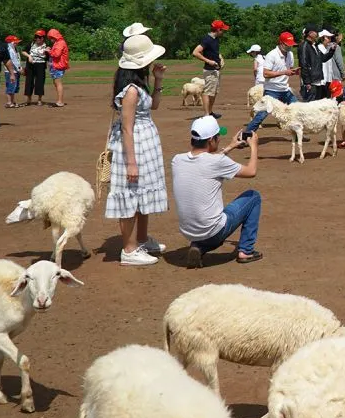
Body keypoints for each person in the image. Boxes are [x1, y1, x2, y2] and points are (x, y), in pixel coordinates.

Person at [106, 34, 170, 266]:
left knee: (142, 194)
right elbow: (126, 128)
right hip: (134, 145)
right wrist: (131, 162)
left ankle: (141, 239)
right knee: (130, 195)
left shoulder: (139, 85)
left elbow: (154, 105)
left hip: (145, 142)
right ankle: (130, 250)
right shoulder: (131, 91)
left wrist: (159, 80)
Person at [171, 115, 263, 267]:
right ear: (210, 141)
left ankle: (199, 247)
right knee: (253, 197)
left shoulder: (177, 160)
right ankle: (246, 251)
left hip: (188, 232)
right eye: (218, 136)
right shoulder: (217, 162)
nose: (220, 139)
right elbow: (251, 171)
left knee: (209, 224)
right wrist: (254, 146)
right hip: (213, 231)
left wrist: (230, 147)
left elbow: (207, 163)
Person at [241, 32, 299, 138]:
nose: (290, 47)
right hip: (272, 90)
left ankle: (298, 134)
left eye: (291, 45)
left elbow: (288, 69)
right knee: (261, 114)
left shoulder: (290, 54)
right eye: (288, 44)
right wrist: (284, 72)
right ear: (281, 43)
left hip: (285, 89)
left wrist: (294, 71)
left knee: (297, 109)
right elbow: (265, 74)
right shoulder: (271, 55)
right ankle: (245, 135)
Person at [192, 19, 228, 119]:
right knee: (208, 92)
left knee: (213, 92)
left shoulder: (215, 39)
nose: (223, 32)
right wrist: (209, 61)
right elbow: (195, 52)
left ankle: (210, 112)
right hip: (210, 70)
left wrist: (220, 57)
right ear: (218, 29)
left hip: (216, 70)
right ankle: (207, 114)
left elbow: (213, 51)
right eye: (223, 30)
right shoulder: (207, 39)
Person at [298, 25, 335, 101]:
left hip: (317, 80)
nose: (318, 34)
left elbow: (323, 58)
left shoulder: (314, 46)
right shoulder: (304, 46)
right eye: (316, 32)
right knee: (310, 105)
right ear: (310, 33)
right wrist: (307, 82)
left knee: (317, 105)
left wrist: (332, 50)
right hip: (310, 82)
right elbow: (304, 64)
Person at [21, 29, 48, 106]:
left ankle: (39, 99)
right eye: (36, 37)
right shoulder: (31, 44)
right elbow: (23, 51)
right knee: (29, 81)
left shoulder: (46, 45)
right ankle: (29, 99)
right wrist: (29, 56)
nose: (38, 38)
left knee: (40, 81)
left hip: (41, 65)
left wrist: (47, 52)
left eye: (40, 37)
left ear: (43, 38)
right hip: (30, 65)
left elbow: (49, 57)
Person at [46, 28, 69, 107]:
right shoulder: (58, 42)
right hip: (56, 65)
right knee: (56, 83)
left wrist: (48, 51)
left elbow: (56, 54)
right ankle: (59, 101)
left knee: (58, 83)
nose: (50, 39)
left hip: (58, 66)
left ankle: (60, 101)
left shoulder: (60, 43)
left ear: (55, 36)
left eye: (51, 38)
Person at [3, 35, 22, 109]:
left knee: (14, 86)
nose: (17, 43)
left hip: (16, 71)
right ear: (10, 42)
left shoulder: (15, 49)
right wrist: (19, 69)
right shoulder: (9, 50)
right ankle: (8, 102)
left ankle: (13, 101)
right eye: (15, 42)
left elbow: (17, 60)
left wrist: (19, 68)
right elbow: (12, 61)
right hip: (10, 71)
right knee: (10, 86)